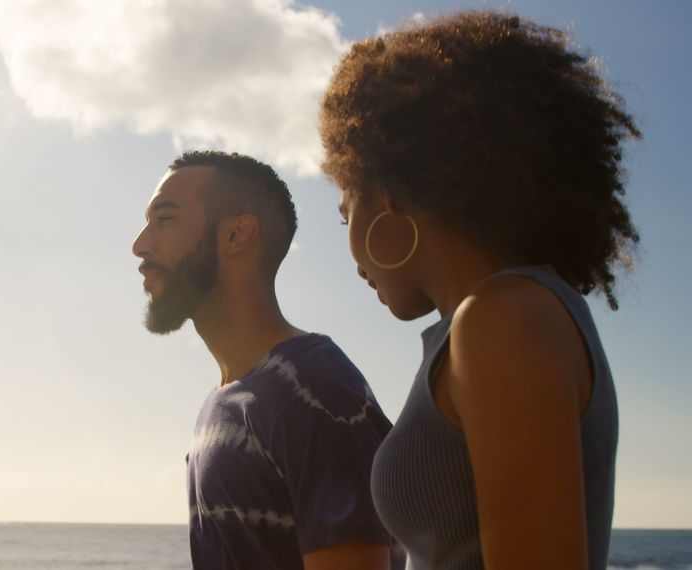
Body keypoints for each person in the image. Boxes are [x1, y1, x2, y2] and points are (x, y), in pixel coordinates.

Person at [319, 11, 638, 570]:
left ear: (388, 195)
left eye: (345, 213)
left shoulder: (503, 319)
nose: (349, 252)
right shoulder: (502, 316)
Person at [132, 150, 398, 569]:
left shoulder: (315, 392)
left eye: (164, 219)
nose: (140, 245)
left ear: (236, 236)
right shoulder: (224, 402)